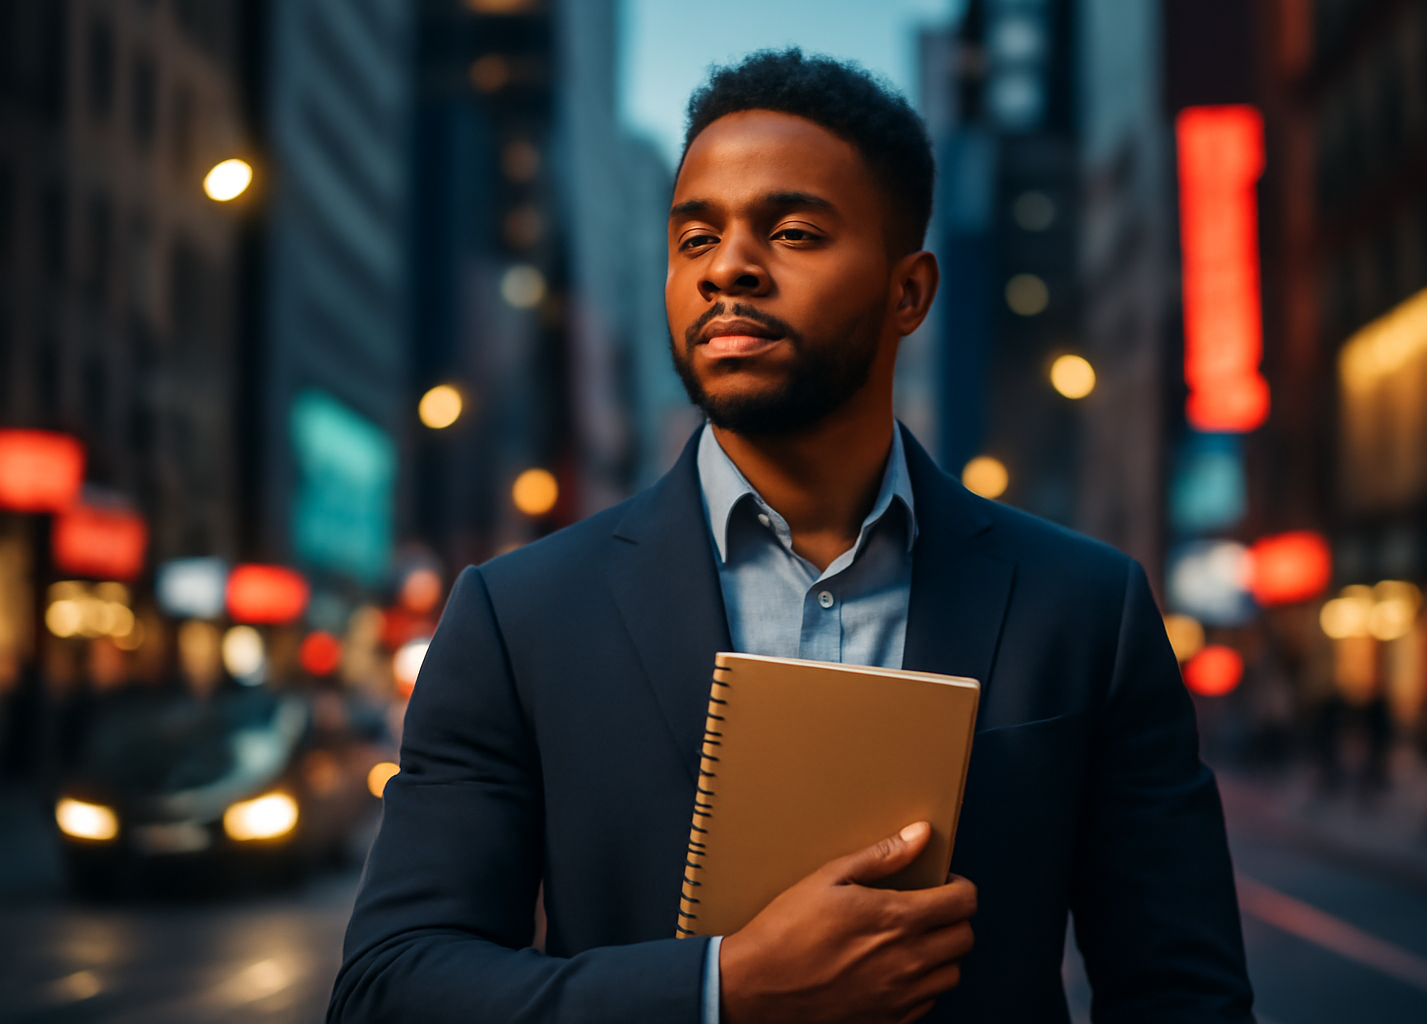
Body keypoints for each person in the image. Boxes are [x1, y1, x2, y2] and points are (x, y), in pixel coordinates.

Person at [329, 51, 1253, 1023]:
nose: (727, 265)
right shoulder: (518, 618)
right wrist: (720, 990)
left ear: (910, 293)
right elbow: (390, 987)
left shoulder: (1086, 610)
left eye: (794, 230)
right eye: (695, 238)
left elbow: (1183, 995)